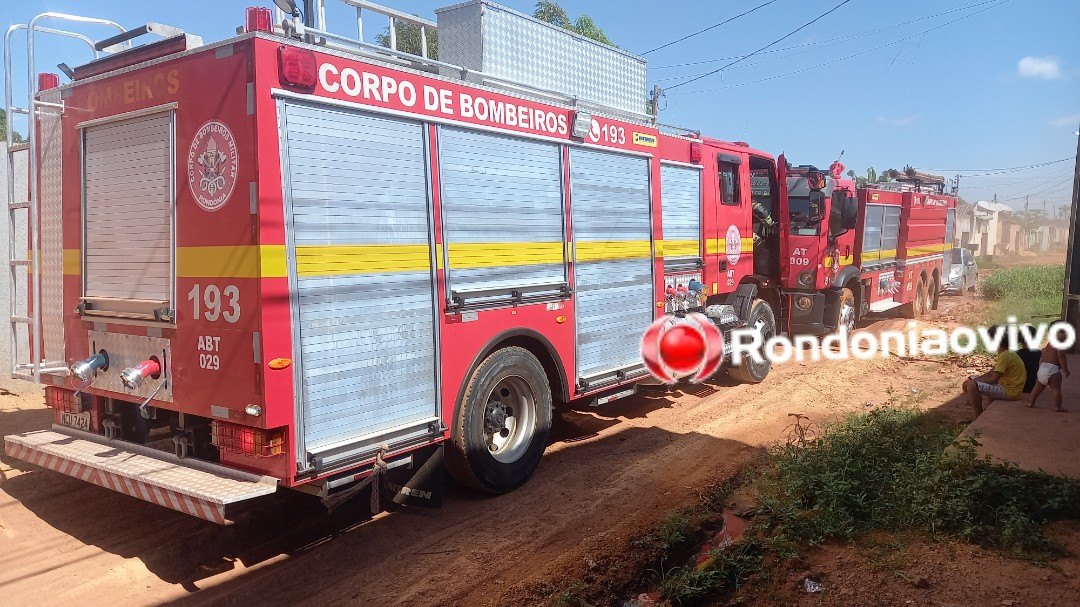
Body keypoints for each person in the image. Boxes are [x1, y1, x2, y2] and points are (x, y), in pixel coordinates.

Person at [962, 326, 1027, 417]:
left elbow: (994, 378)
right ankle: (985, 407)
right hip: (1009, 388)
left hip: (1010, 392)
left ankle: (978, 415)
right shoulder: (1007, 354)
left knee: (972, 385)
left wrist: (973, 382)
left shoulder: (1005, 356)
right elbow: (992, 372)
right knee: (972, 380)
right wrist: (973, 379)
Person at [1028, 322, 1071, 412]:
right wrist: (1065, 369)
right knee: (1056, 389)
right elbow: (1061, 357)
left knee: (1037, 388)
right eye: (1062, 331)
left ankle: (1031, 403)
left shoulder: (1049, 344)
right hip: (1053, 370)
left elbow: (1042, 356)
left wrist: (1040, 368)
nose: (1065, 334)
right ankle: (1057, 406)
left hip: (1043, 369)